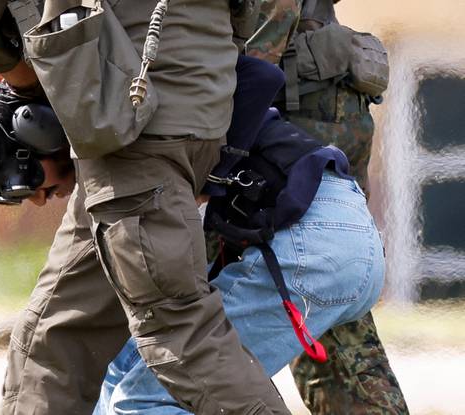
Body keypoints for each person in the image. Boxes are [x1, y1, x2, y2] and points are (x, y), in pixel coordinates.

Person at [0, 1, 290, 413]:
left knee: (179, 333)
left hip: (128, 121)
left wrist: (34, 86)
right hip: (198, 104)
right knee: (52, 335)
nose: (40, 199)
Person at [92, 46, 385, 414]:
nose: (42, 200)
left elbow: (264, 75)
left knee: (148, 398)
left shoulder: (139, 103)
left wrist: (211, 174)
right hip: (339, 227)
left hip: (310, 243)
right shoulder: (168, 78)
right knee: (124, 367)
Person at [246, 0, 410, 413]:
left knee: (202, 324)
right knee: (328, 326)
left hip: (288, 150)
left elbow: (249, 68)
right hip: (310, 141)